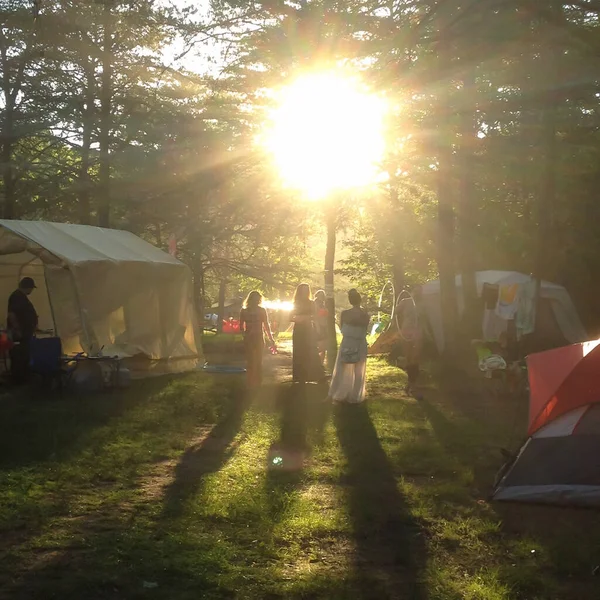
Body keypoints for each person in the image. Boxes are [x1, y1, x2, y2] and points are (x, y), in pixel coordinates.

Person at [328, 289, 369, 403]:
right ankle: (355, 395)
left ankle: (337, 392)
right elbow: (365, 328)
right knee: (359, 370)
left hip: (347, 342)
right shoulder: (364, 314)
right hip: (360, 342)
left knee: (342, 368)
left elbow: (342, 328)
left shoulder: (345, 313)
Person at [239, 291, 275, 389]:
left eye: (257, 299)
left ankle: (256, 381)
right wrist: (244, 335)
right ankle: (252, 381)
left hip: (257, 337)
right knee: (252, 360)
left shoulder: (261, 310)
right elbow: (241, 326)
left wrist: (271, 338)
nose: (256, 301)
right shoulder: (245, 311)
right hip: (251, 337)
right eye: (255, 299)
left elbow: (266, 325)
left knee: (257, 360)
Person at [290, 283, 325, 384]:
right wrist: (298, 319)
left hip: (309, 329)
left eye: (307, 290)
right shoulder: (296, 303)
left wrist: (310, 320)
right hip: (299, 330)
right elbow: (290, 317)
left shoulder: (311, 303)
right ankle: (300, 377)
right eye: (303, 290)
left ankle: (318, 375)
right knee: (299, 352)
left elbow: (315, 316)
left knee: (312, 351)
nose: (305, 292)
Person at [7, 277, 38, 384]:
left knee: (24, 354)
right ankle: (18, 379)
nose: (31, 291)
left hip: (24, 332)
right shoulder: (16, 297)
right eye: (31, 288)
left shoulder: (21, 297)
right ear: (28, 287)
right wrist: (17, 329)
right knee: (18, 355)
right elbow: (12, 314)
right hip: (19, 333)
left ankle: (24, 377)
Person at [396, 286, 423, 398]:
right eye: (416, 291)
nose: (417, 293)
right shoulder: (405, 302)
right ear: (412, 292)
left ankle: (413, 384)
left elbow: (426, 318)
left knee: (415, 357)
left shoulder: (424, 303)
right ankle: (410, 382)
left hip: (418, 331)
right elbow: (396, 312)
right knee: (408, 357)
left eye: (419, 291)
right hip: (406, 330)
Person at [313, 289, 328, 364]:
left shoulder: (323, 304)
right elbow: (315, 317)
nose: (322, 297)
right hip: (318, 326)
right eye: (321, 295)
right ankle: (317, 362)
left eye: (323, 295)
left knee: (324, 347)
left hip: (324, 326)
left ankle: (321, 363)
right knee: (319, 346)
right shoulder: (315, 304)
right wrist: (318, 327)